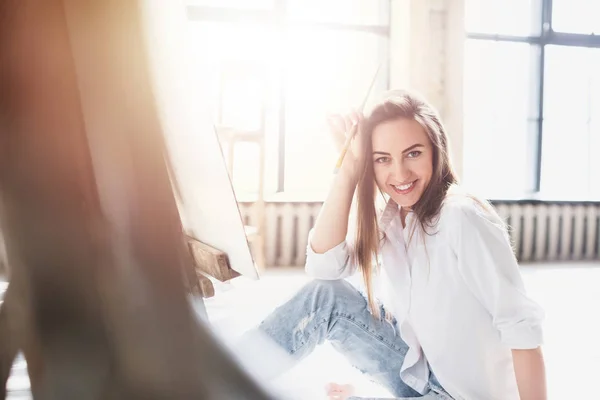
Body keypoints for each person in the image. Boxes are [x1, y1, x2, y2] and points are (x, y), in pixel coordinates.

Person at [236, 90, 546, 400]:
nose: (399, 174)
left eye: (413, 153)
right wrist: (348, 171)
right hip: (422, 380)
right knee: (324, 297)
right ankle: (219, 380)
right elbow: (323, 268)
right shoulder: (394, 219)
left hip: (463, 396)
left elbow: (521, 327)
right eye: (383, 159)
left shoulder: (460, 217)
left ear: (436, 151)